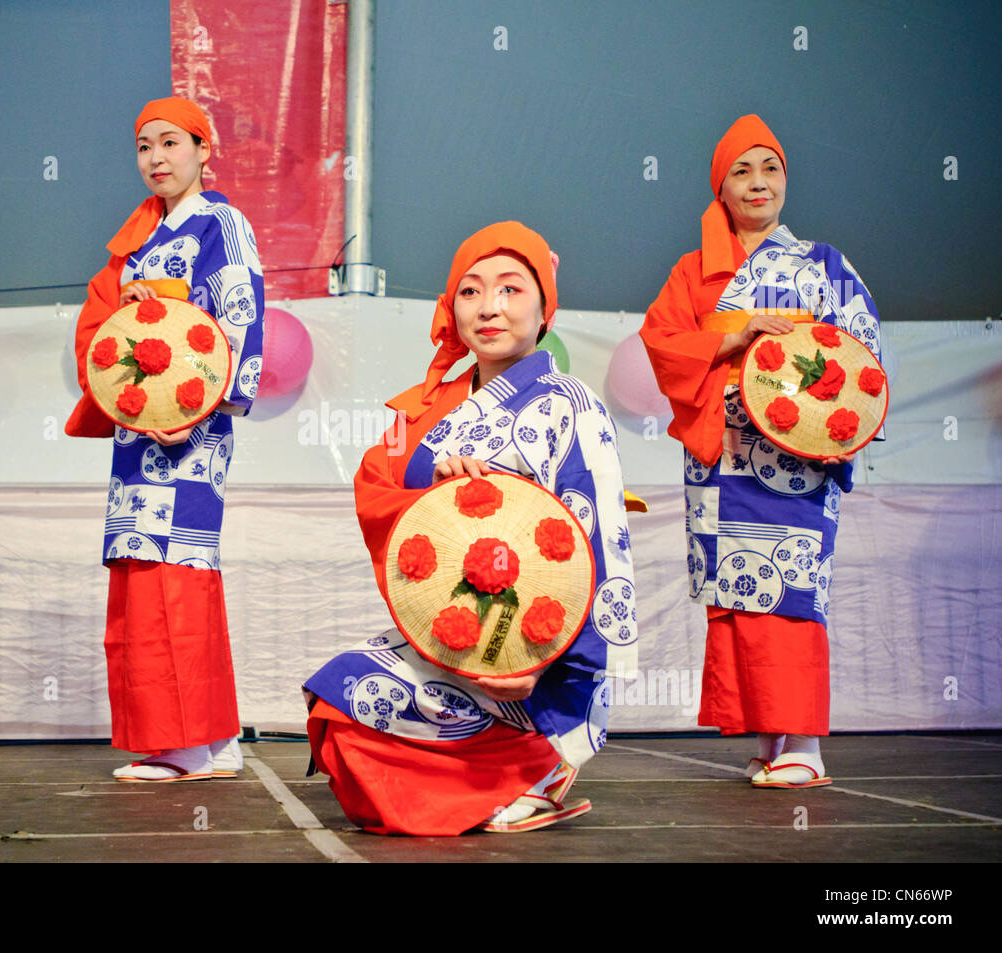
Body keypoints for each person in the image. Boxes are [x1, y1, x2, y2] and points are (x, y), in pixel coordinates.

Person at [303, 222, 639, 834]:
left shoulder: (571, 405)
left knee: (359, 709)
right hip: (455, 629)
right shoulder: (430, 408)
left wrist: (542, 658)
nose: (489, 307)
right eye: (471, 291)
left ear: (544, 309)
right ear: (452, 308)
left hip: (533, 643)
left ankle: (541, 762)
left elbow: (598, 543)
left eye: (511, 290)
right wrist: (437, 478)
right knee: (339, 704)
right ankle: (497, 783)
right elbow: (377, 486)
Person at [640, 114, 883, 788]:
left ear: (785, 180)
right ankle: (773, 737)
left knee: (791, 592)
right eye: (740, 171)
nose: (757, 182)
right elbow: (661, 343)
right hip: (723, 461)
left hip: (796, 465)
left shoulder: (825, 265)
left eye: (769, 167)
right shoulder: (693, 272)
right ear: (720, 188)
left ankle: (804, 742)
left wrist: (834, 431)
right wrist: (733, 338)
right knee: (742, 596)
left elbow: (861, 356)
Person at [65, 96, 265, 781]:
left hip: (191, 429)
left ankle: (185, 742)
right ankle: (210, 740)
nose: (156, 157)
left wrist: (205, 405)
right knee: (145, 571)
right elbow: (112, 341)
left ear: (204, 150)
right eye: (144, 145)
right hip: (137, 435)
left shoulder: (221, 224)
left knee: (174, 574)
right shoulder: (139, 244)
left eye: (171, 143)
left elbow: (240, 318)